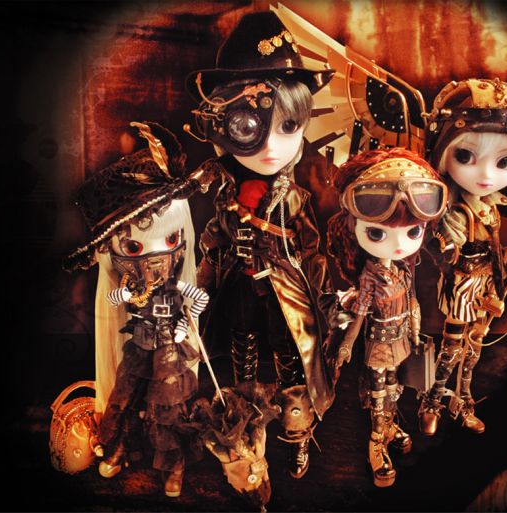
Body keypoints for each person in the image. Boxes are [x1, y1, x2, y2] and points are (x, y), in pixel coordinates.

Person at [184, 11, 336, 479]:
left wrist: (326, 295)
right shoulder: (224, 190)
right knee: (241, 353)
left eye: (289, 126)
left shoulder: (296, 198)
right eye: (251, 128)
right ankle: (247, 426)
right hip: (238, 286)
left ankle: (297, 430)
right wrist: (210, 263)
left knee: (290, 356)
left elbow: (311, 249)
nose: (272, 147)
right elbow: (212, 236)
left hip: (285, 291)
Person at [63, 121, 208, 497]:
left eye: (171, 239)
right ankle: (119, 445)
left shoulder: (176, 285)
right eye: (134, 248)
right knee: (124, 393)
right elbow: (112, 301)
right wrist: (125, 294)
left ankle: (173, 464)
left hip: (170, 347)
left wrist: (184, 324)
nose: (156, 260)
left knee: (169, 402)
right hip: (138, 343)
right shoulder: (131, 284)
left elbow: (199, 298)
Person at [418, 78, 507, 436]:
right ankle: (434, 401)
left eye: (506, 161)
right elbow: (444, 247)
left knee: (475, 347)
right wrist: (449, 247)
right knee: (451, 348)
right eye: (465, 156)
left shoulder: (492, 205)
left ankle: (464, 401)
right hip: (462, 283)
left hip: (487, 281)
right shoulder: (455, 212)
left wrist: (502, 273)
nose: (486, 175)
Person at [326, 147, 447, 487]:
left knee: (396, 387)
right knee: (379, 391)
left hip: (401, 338)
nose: (398, 245)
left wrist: (416, 332)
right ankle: (376, 441)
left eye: (413, 232)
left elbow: (411, 302)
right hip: (378, 343)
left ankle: (391, 426)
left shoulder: (404, 271)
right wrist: (347, 344)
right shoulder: (370, 276)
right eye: (378, 233)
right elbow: (361, 312)